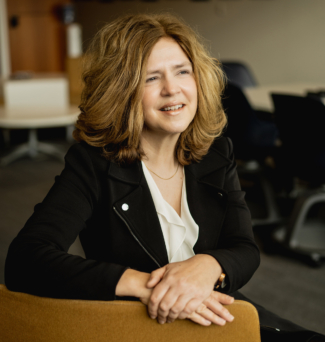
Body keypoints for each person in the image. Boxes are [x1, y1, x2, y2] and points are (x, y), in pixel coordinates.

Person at [5, 13, 324, 341]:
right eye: (151, 78)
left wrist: (208, 266)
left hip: (209, 310)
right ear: (123, 90)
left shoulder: (216, 152)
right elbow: (25, 259)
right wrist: (145, 284)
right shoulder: (93, 164)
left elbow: (244, 248)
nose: (172, 90)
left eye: (182, 71)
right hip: (140, 320)